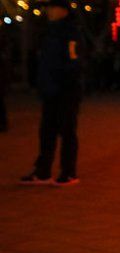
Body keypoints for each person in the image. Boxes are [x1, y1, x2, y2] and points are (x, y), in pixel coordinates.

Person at [21, 0, 83, 185]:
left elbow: (74, 62)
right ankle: (43, 171)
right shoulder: (49, 32)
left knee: (67, 131)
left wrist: (64, 83)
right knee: (46, 132)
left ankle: (69, 172)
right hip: (50, 91)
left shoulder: (71, 32)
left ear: (62, 10)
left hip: (66, 90)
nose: (49, 11)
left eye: (52, 7)